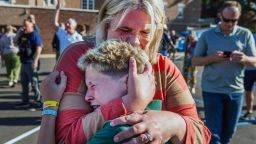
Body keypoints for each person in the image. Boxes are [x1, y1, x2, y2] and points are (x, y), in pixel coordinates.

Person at [39, 0, 211, 143]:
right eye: (124, 30)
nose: (135, 41)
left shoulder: (163, 67)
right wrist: (129, 103)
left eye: (145, 32)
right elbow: (64, 140)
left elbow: (201, 136)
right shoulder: (80, 57)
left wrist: (173, 123)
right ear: (106, 26)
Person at [192, 1, 256, 144]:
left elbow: (255, 61)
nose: (230, 24)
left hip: (235, 91)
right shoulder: (207, 35)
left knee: (228, 133)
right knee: (214, 135)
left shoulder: (245, 34)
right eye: (226, 20)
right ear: (220, 16)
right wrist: (213, 58)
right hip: (212, 90)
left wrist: (244, 58)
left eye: (234, 20)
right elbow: (195, 61)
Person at [14, 19, 43, 108]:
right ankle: (25, 100)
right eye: (23, 25)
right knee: (24, 83)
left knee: (34, 83)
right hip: (23, 62)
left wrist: (35, 60)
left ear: (32, 26)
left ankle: (38, 101)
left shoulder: (35, 35)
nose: (24, 27)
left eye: (26, 25)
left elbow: (39, 48)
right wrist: (19, 32)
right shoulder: (23, 35)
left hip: (31, 63)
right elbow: (15, 42)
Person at [183, 30, 198, 94]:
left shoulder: (196, 42)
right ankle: (186, 85)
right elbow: (185, 50)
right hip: (186, 60)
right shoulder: (186, 42)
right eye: (189, 34)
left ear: (194, 35)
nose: (190, 36)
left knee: (193, 74)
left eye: (191, 34)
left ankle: (193, 87)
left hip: (193, 60)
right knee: (185, 73)